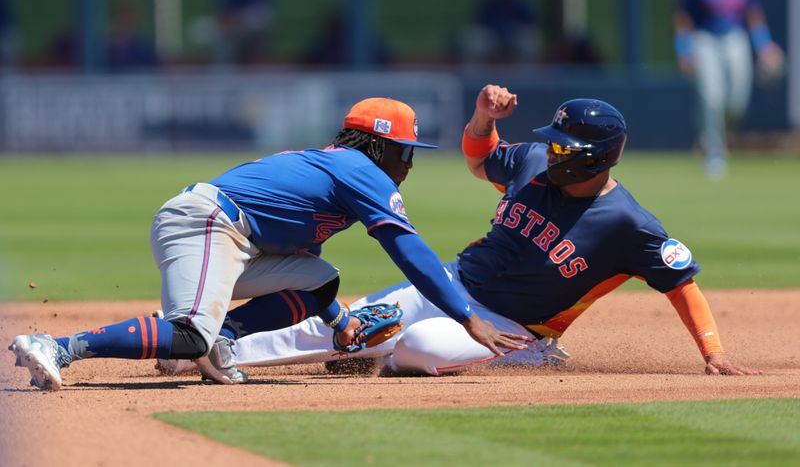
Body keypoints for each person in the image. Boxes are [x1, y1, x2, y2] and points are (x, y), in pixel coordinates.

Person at [160, 85, 760, 377]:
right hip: (448, 284)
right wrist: (481, 119)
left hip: (512, 328)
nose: (549, 152)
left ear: (595, 158)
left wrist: (715, 353)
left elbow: (681, 280)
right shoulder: (530, 163)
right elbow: (481, 156)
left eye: (563, 147)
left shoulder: (628, 224)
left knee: (416, 350)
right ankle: (209, 351)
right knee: (348, 325)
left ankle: (531, 359)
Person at [9, 97, 526, 391]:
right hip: (208, 226)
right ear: (380, 146)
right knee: (189, 335)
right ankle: (59, 347)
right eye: (405, 151)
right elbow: (410, 252)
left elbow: (303, 265)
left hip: (227, 236)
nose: (409, 164)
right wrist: (466, 316)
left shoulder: (337, 168)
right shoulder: (361, 171)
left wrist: (341, 323)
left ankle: (222, 338)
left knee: (321, 280)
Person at [673, 0, 784, 179]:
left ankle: (713, 134)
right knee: (711, 98)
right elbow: (683, 18)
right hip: (704, 40)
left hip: (735, 38)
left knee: (736, 101)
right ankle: (714, 150)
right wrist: (683, 50)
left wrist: (764, 45)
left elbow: (753, 14)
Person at [456, 0, 540, 64]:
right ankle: (475, 76)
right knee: (473, 40)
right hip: (492, 37)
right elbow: (477, 21)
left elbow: (532, 19)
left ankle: (527, 75)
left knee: (529, 40)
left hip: (515, 35)